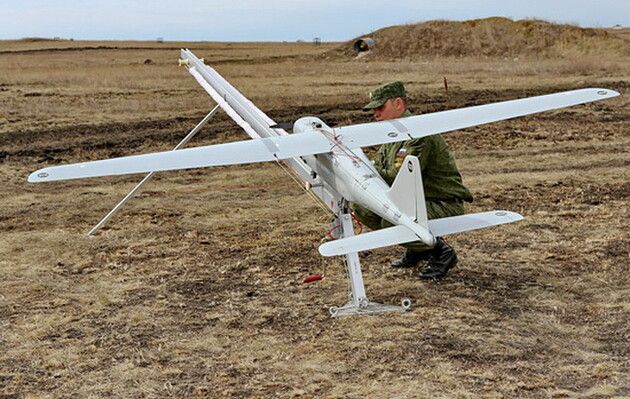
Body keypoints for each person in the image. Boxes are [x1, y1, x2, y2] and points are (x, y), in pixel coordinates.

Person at [353, 81, 473, 280]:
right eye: (373, 109)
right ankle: (417, 248)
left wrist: (372, 169)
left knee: (390, 220)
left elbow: (396, 175)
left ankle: (441, 252)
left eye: (380, 107)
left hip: (442, 202)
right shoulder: (393, 133)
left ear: (398, 104)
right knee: (365, 208)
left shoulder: (417, 133)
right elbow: (381, 168)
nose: (376, 114)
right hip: (418, 201)